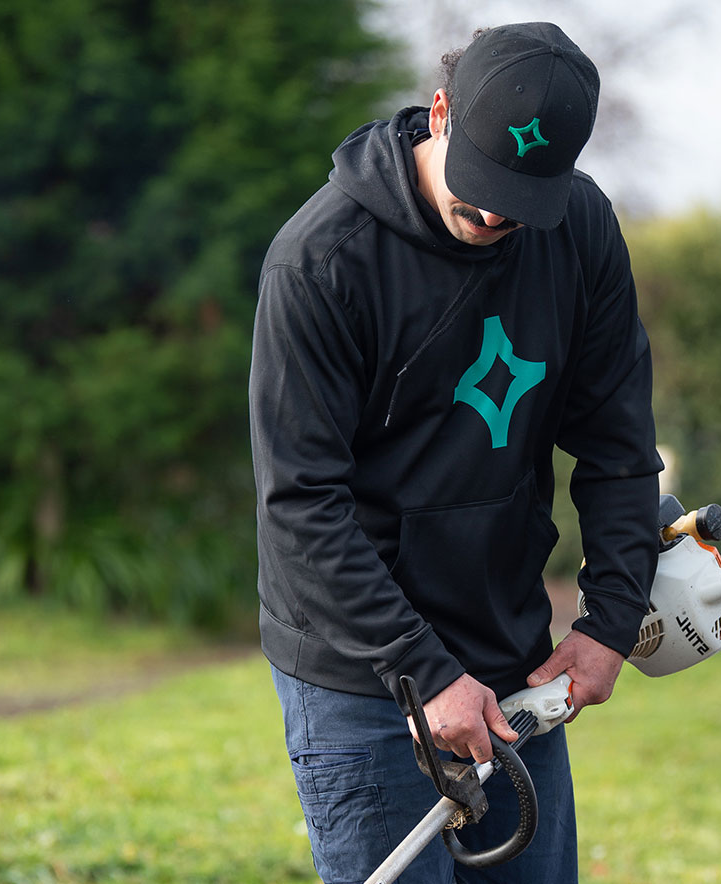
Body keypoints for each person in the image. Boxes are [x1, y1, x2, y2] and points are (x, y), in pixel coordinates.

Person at [249, 21, 661, 884]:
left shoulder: (578, 230)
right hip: (362, 678)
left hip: (511, 661)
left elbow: (617, 443)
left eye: (520, 202)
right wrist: (424, 673)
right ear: (439, 113)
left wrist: (609, 622)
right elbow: (300, 506)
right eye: (478, 190)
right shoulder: (320, 263)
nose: (493, 216)